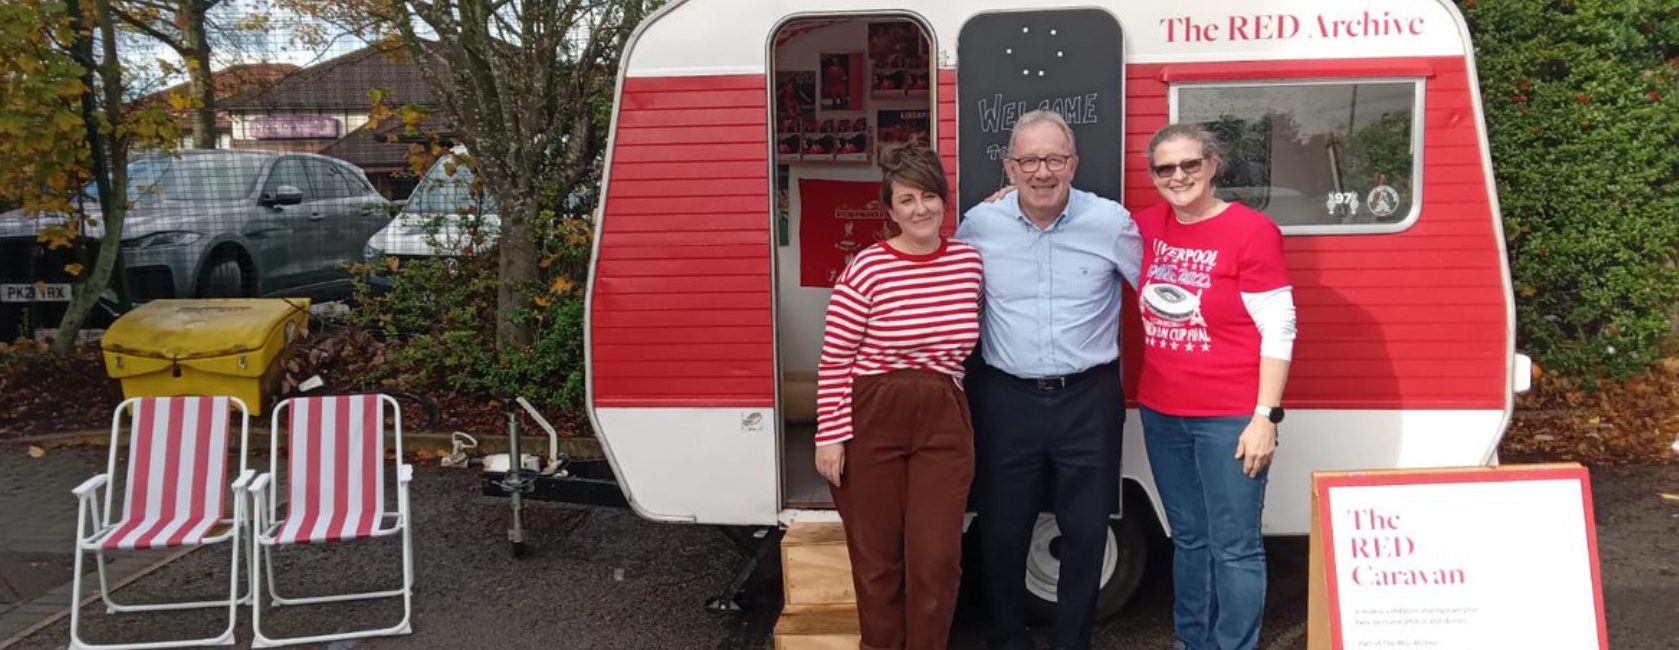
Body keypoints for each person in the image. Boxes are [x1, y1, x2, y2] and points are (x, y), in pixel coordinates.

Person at [956, 109, 1143, 650]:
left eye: (1055, 159)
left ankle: (1072, 640)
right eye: (1030, 160)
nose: (1043, 172)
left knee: (1086, 531)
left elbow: (1160, 291)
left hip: (1088, 397)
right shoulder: (979, 225)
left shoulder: (1111, 222)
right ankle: (1010, 636)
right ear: (1009, 168)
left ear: (1074, 164)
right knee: (1002, 528)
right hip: (1005, 397)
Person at [812, 144, 983, 650]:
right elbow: (835, 358)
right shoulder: (865, 269)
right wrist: (831, 437)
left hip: (943, 419)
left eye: (929, 197)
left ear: (944, 202)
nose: (920, 210)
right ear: (890, 210)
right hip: (872, 418)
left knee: (936, 559)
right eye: (906, 200)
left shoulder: (970, 264)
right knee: (878, 560)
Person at [1134, 123, 1296, 650]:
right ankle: (1191, 640)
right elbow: (1073, 217)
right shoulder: (1145, 226)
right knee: (1189, 540)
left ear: (1212, 166)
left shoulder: (1251, 231)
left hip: (1231, 417)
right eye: (1165, 168)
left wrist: (1264, 417)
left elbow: (1280, 325)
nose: (1178, 176)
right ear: (1154, 175)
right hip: (1162, 413)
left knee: (1235, 546)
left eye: (1189, 165)